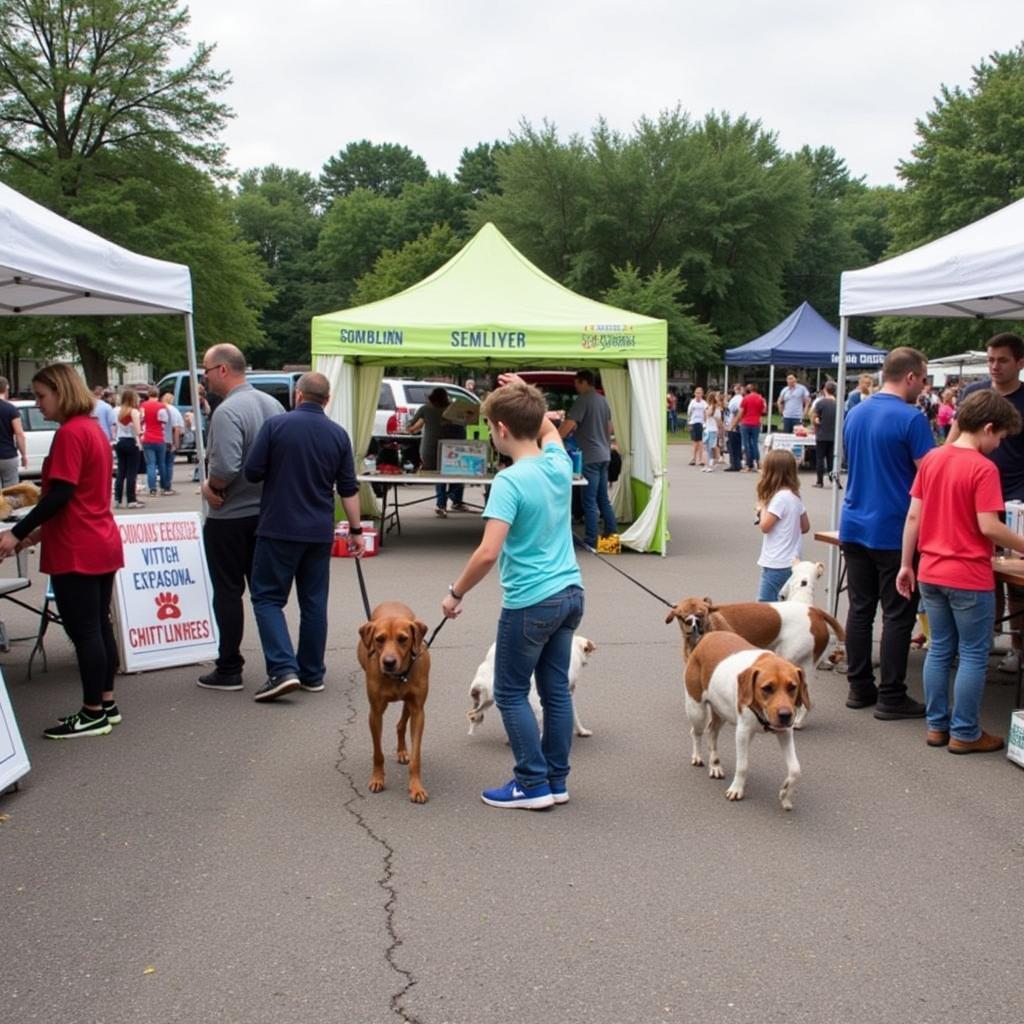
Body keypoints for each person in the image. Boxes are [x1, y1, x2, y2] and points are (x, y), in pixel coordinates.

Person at [441, 375, 583, 809]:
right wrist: (526, 392)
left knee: (509, 692)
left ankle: (531, 783)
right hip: (570, 592)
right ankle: (555, 780)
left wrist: (455, 592)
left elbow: (487, 552)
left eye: (489, 427)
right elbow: (550, 431)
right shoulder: (558, 463)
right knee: (556, 690)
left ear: (501, 429)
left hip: (531, 601)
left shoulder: (509, 481)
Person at [896, 389, 1024, 754]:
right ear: (987, 427)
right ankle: (965, 731)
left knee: (940, 650)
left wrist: (907, 564)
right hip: (968, 574)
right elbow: (988, 526)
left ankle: (937, 726)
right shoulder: (984, 469)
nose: (999, 445)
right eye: (999, 437)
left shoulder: (933, 459)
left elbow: (914, 516)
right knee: (972, 653)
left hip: (931, 570)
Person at [0, 364, 123, 738]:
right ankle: (104, 703)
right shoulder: (92, 429)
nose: (38, 404)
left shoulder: (71, 433)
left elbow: (62, 494)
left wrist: (16, 532)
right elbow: (76, 496)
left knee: (85, 630)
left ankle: (92, 713)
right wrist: (32, 536)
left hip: (78, 546)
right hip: (98, 538)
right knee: (98, 625)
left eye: (41, 395)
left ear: (61, 391)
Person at [243, 372, 365, 701]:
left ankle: (282, 669)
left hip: (278, 527)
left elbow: (252, 472)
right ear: (326, 400)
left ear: (298, 395)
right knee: (314, 602)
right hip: (318, 531)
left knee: (267, 598)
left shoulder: (275, 427)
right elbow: (349, 489)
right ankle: (312, 673)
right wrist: (356, 532)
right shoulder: (338, 435)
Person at [840, 346, 935, 719]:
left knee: (860, 609)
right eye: (924, 379)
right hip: (894, 527)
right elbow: (930, 475)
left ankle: (859, 685)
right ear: (909, 377)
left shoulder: (856, 412)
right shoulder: (911, 419)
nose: (925, 387)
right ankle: (892, 694)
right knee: (898, 613)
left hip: (854, 522)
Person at [198, 343, 284, 691]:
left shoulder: (227, 411)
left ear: (222, 370)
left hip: (230, 514)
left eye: (204, 371)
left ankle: (229, 666)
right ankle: (279, 665)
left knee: (228, 592)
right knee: (264, 595)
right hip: (267, 513)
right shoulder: (274, 404)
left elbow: (226, 466)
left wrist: (209, 486)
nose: (202, 379)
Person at [947, 333, 1024, 674]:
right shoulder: (972, 393)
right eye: (991, 359)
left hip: (1017, 496)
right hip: (973, 494)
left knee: (1015, 580)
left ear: (1019, 363)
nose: (994, 366)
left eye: (1002, 360)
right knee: (980, 571)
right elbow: (951, 440)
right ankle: (983, 637)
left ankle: (1018, 647)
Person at [559, 369, 617, 548]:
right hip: (604, 455)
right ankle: (610, 540)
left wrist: (553, 437)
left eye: (576, 383)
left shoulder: (583, 400)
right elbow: (610, 429)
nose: (575, 387)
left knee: (589, 501)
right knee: (603, 499)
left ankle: (591, 540)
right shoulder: (603, 401)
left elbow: (569, 424)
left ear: (584, 382)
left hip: (590, 457)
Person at [754, 449, 810, 601]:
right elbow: (805, 526)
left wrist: (763, 506)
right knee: (786, 604)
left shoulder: (778, 499)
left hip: (776, 562)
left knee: (766, 605)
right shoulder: (795, 495)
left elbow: (765, 526)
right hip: (793, 561)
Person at [407, 386, 466, 517]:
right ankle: (450, 499)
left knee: (439, 474)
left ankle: (441, 504)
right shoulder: (456, 409)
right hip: (456, 450)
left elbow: (410, 427)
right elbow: (465, 425)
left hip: (430, 450)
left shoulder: (425, 409)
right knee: (460, 474)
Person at [113, 387, 145, 508]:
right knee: (131, 472)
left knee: (121, 471)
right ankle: (131, 500)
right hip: (131, 442)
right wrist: (141, 434)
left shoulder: (117, 410)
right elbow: (137, 430)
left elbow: (115, 426)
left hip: (120, 441)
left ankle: (117, 499)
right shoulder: (133, 412)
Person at [139, 386, 167, 497]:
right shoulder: (161, 406)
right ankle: (164, 487)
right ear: (158, 394)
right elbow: (164, 421)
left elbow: (141, 419)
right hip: (159, 437)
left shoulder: (143, 406)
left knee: (150, 464)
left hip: (147, 437)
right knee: (162, 463)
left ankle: (152, 488)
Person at [0, 376, 28, 487]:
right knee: (11, 491)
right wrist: (24, 455)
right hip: (8, 456)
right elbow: (19, 434)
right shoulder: (11, 409)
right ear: (6, 388)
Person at [811, 381, 838, 488]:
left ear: (825, 389)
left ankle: (819, 481)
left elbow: (816, 419)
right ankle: (833, 480)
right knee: (831, 459)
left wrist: (816, 424)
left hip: (822, 434)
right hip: (834, 435)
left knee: (820, 459)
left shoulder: (820, 403)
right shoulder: (838, 403)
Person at [738, 383, 766, 472]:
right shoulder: (761, 398)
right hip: (756, 423)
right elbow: (763, 411)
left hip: (745, 423)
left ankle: (748, 465)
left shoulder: (745, 398)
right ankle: (757, 463)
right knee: (755, 443)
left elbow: (741, 412)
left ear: (748, 390)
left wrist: (734, 423)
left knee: (746, 444)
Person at [159, 392, 184, 495]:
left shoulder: (159, 409)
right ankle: (167, 486)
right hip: (169, 440)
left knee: (161, 464)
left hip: (159, 439)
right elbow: (177, 428)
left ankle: (161, 485)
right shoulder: (174, 410)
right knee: (168, 464)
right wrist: (176, 443)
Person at [724, 382, 745, 471]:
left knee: (733, 445)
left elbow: (737, 413)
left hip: (734, 425)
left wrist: (733, 425)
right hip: (734, 424)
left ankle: (734, 464)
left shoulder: (738, 399)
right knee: (735, 445)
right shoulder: (738, 399)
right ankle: (737, 464)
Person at [686, 386, 708, 467]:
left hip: (701, 423)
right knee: (695, 442)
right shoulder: (692, 402)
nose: (698, 394)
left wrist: (705, 424)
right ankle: (693, 459)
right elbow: (689, 413)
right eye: (696, 393)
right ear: (694, 393)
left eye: (699, 393)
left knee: (701, 442)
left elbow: (706, 413)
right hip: (694, 423)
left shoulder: (704, 403)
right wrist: (688, 423)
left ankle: (701, 459)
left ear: (702, 394)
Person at [701, 391, 723, 472]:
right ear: (713, 398)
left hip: (713, 430)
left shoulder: (716, 408)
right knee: (707, 448)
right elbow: (707, 417)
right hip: (708, 430)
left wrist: (721, 430)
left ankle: (711, 464)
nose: (718, 398)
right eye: (717, 397)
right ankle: (708, 465)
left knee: (711, 447)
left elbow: (719, 421)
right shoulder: (710, 407)